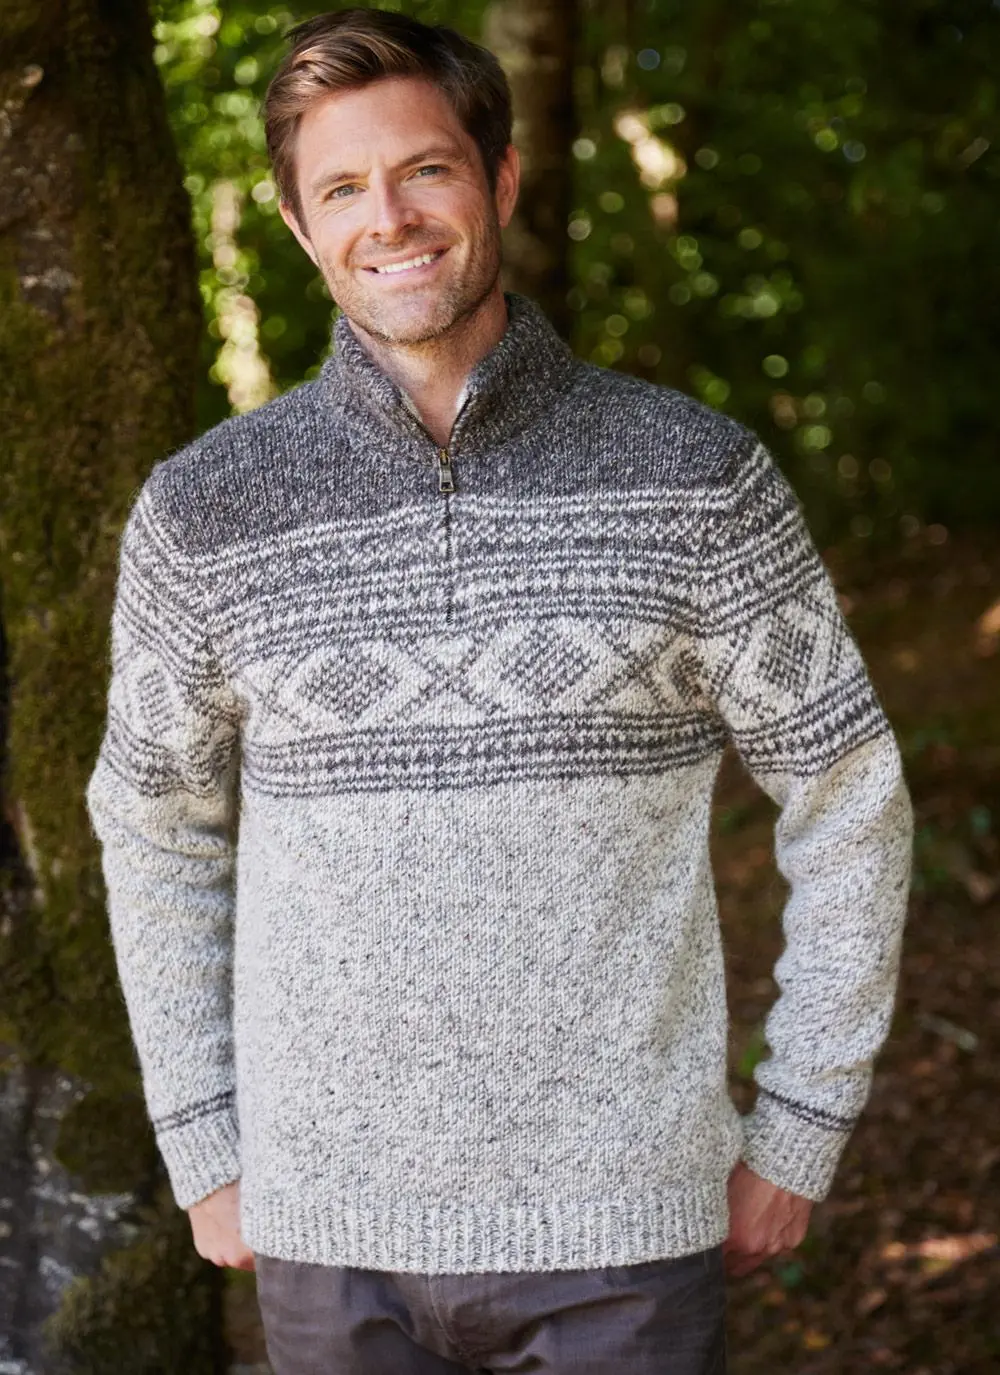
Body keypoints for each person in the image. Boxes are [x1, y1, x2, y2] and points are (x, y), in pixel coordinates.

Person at [86, 8, 913, 1373]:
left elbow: (850, 796)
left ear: (502, 180)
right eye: (342, 188)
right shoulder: (204, 512)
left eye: (426, 169)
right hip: (328, 1235)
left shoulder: (696, 479)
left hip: (625, 1233)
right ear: (297, 226)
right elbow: (155, 826)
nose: (390, 219)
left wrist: (800, 1125)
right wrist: (205, 1139)